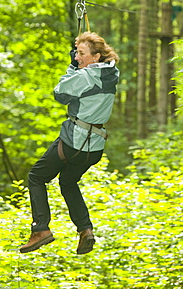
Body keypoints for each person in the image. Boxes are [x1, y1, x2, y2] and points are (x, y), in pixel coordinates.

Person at [20, 31, 120, 255]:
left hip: (74, 143)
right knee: (67, 182)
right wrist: (80, 56)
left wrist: (73, 68)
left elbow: (60, 93)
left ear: (96, 57)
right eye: (76, 53)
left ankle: (41, 230)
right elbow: (88, 72)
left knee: (36, 177)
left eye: (81, 54)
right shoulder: (112, 72)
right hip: (93, 148)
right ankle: (85, 230)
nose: (77, 57)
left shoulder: (85, 77)